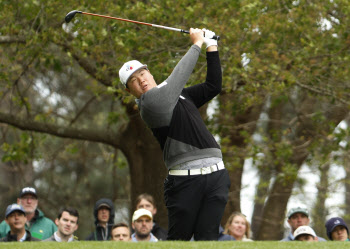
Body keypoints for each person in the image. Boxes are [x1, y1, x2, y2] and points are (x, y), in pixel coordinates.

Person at [119, 28, 230, 241]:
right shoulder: (150, 104)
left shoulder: (181, 95)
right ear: (129, 91)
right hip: (185, 183)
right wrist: (197, 43)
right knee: (178, 241)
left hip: (216, 176)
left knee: (208, 240)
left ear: (149, 73)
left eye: (142, 73)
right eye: (133, 80)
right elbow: (179, 76)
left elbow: (213, 86)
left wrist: (212, 45)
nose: (141, 80)